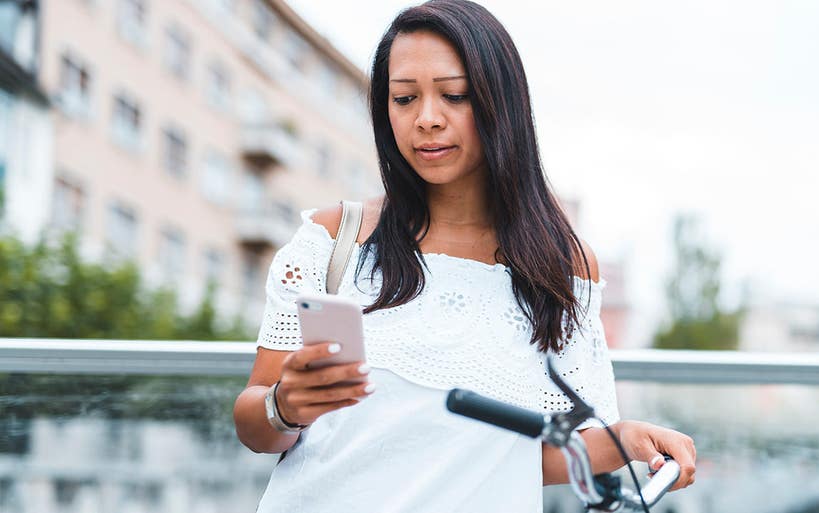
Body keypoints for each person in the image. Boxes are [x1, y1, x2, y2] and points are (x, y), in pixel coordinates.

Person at [233, 1, 697, 512]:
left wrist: (626, 440)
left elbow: (527, 456)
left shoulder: (561, 266)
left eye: (454, 95)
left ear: (502, 104)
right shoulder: (332, 238)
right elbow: (254, 426)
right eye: (404, 98)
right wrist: (284, 407)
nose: (426, 120)